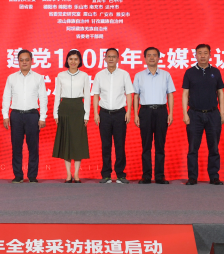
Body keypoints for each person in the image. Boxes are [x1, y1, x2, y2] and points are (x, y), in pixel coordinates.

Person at [182, 44, 224, 186]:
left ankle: (214, 176)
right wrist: (185, 113)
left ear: (210, 55)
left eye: (205, 53)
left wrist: (222, 112)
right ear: (195, 55)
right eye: (199, 53)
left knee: (214, 147)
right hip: (194, 114)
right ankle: (192, 177)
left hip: (213, 114)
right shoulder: (189, 72)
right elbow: (185, 94)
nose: (202, 55)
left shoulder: (216, 72)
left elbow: (220, 93)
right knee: (193, 148)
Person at [2, 49, 47, 183]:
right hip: (16, 115)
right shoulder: (11, 78)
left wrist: (42, 117)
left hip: (32, 115)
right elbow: (6, 97)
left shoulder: (38, 77)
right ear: (18, 62)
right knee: (16, 146)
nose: (24, 62)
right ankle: (18, 175)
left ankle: (32, 175)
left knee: (33, 146)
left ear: (31, 61)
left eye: (27, 60)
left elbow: (43, 98)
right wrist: (5, 115)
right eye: (21, 60)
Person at [132, 47, 176, 184]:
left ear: (159, 58)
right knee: (146, 145)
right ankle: (146, 175)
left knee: (160, 145)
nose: (152, 58)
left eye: (154, 55)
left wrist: (171, 113)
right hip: (145, 111)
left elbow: (170, 95)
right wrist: (135, 114)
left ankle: (159, 176)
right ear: (145, 58)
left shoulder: (166, 75)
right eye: (149, 55)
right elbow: (135, 96)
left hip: (161, 111)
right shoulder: (139, 76)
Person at [92, 47, 134, 184]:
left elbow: (129, 93)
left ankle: (121, 174)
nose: (111, 59)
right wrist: (96, 113)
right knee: (106, 145)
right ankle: (106, 175)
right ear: (104, 58)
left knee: (120, 145)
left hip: (120, 114)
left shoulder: (124, 74)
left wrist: (128, 111)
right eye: (108, 56)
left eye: (114, 56)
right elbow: (96, 95)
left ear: (118, 59)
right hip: (104, 114)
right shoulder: (99, 75)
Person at [53, 49, 91, 183]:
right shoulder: (61, 75)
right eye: (71, 59)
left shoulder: (84, 76)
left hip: (78, 109)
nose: (73, 61)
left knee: (78, 142)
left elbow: (87, 96)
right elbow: (57, 95)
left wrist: (86, 115)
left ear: (80, 61)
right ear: (67, 60)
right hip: (64, 109)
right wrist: (55, 113)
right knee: (66, 142)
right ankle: (68, 174)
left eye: (76, 59)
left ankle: (76, 174)